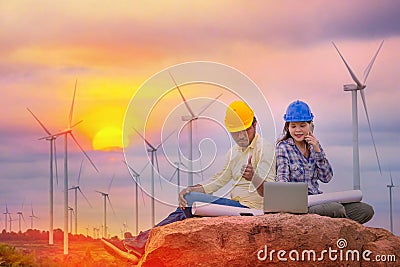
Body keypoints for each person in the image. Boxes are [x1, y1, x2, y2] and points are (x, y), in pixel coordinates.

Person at [118, 100, 276, 258]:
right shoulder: (234, 152)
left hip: (252, 210)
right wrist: (193, 189)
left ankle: (143, 241)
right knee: (187, 202)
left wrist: (253, 177)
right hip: (236, 206)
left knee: (191, 202)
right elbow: (218, 180)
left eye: (245, 130)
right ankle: (143, 242)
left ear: (255, 124)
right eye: (235, 133)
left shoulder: (264, 150)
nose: (241, 136)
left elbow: (269, 194)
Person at [275, 100, 374, 224]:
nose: (298, 130)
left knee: (364, 210)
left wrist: (317, 151)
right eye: (293, 126)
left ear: (310, 126)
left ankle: (335, 226)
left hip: (317, 200)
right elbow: (281, 180)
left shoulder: (314, 146)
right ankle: (340, 229)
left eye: (302, 125)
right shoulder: (283, 147)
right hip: (301, 207)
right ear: (287, 127)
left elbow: (326, 177)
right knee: (336, 209)